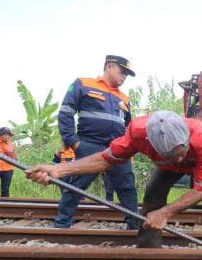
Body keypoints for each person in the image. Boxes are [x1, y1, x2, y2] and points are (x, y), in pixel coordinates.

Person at [25, 110, 202, 249]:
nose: (180, 159)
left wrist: (166, 213)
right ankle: (148, 247)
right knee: (153, 194)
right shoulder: (137, 133)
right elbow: (104, 160)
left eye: (182, 152)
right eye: (172, 155)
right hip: (167, 167)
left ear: (187, 138)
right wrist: (59, 171)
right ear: (151, 143)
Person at [55, 55, 139, 230]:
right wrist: (74, 142)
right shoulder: (83, 84)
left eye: (127, 74)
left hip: (117, 149)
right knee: (76, 186)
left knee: (127, 187)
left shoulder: (124, 98)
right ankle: (61, 226)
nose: (124, 76)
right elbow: (65, 112)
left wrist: (127, 148)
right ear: (109, 66)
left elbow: (129, 126)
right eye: (122, 71)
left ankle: (135, 226)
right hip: (89, 146)